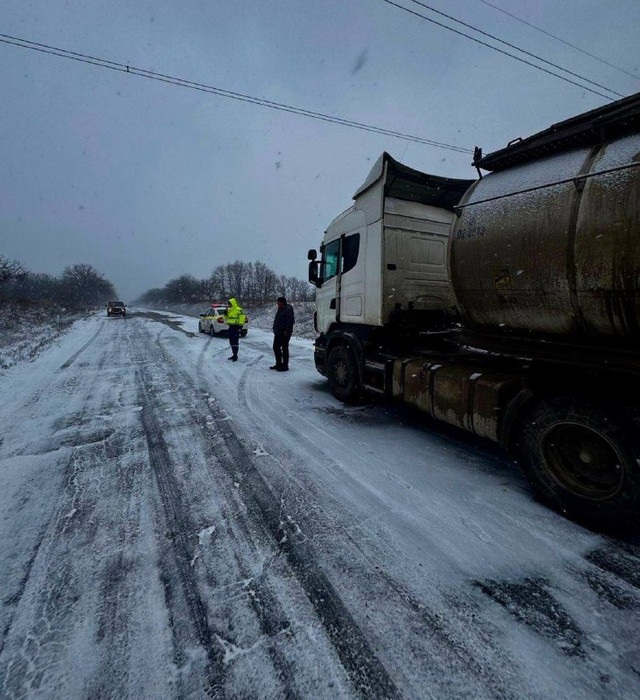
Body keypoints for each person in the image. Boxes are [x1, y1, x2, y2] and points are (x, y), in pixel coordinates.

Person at [271, 296, 295, 372]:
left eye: (278, 302)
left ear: (282, 302)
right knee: (276, 347)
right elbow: (277, 319)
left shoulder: (288, 309)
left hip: (284, 333)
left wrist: (287, 331)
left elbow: (290, 321)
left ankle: (285, 366)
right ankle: (278, 363)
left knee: (284, 349)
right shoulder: (280, 309)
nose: (277, 304)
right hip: (278, 332)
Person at [224, 297, 246, 362]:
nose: (229, 305)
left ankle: (235, 355)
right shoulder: (230, 310)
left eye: (229, 304)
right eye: (228, 304)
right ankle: (234, 354)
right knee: (231, 341)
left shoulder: (239, 310)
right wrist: (225, 312)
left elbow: (242, 318)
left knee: (235, 341)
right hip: (231, 327)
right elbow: (226, 318)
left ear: (232, 303)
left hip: (236, 327)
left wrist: (240, 327)